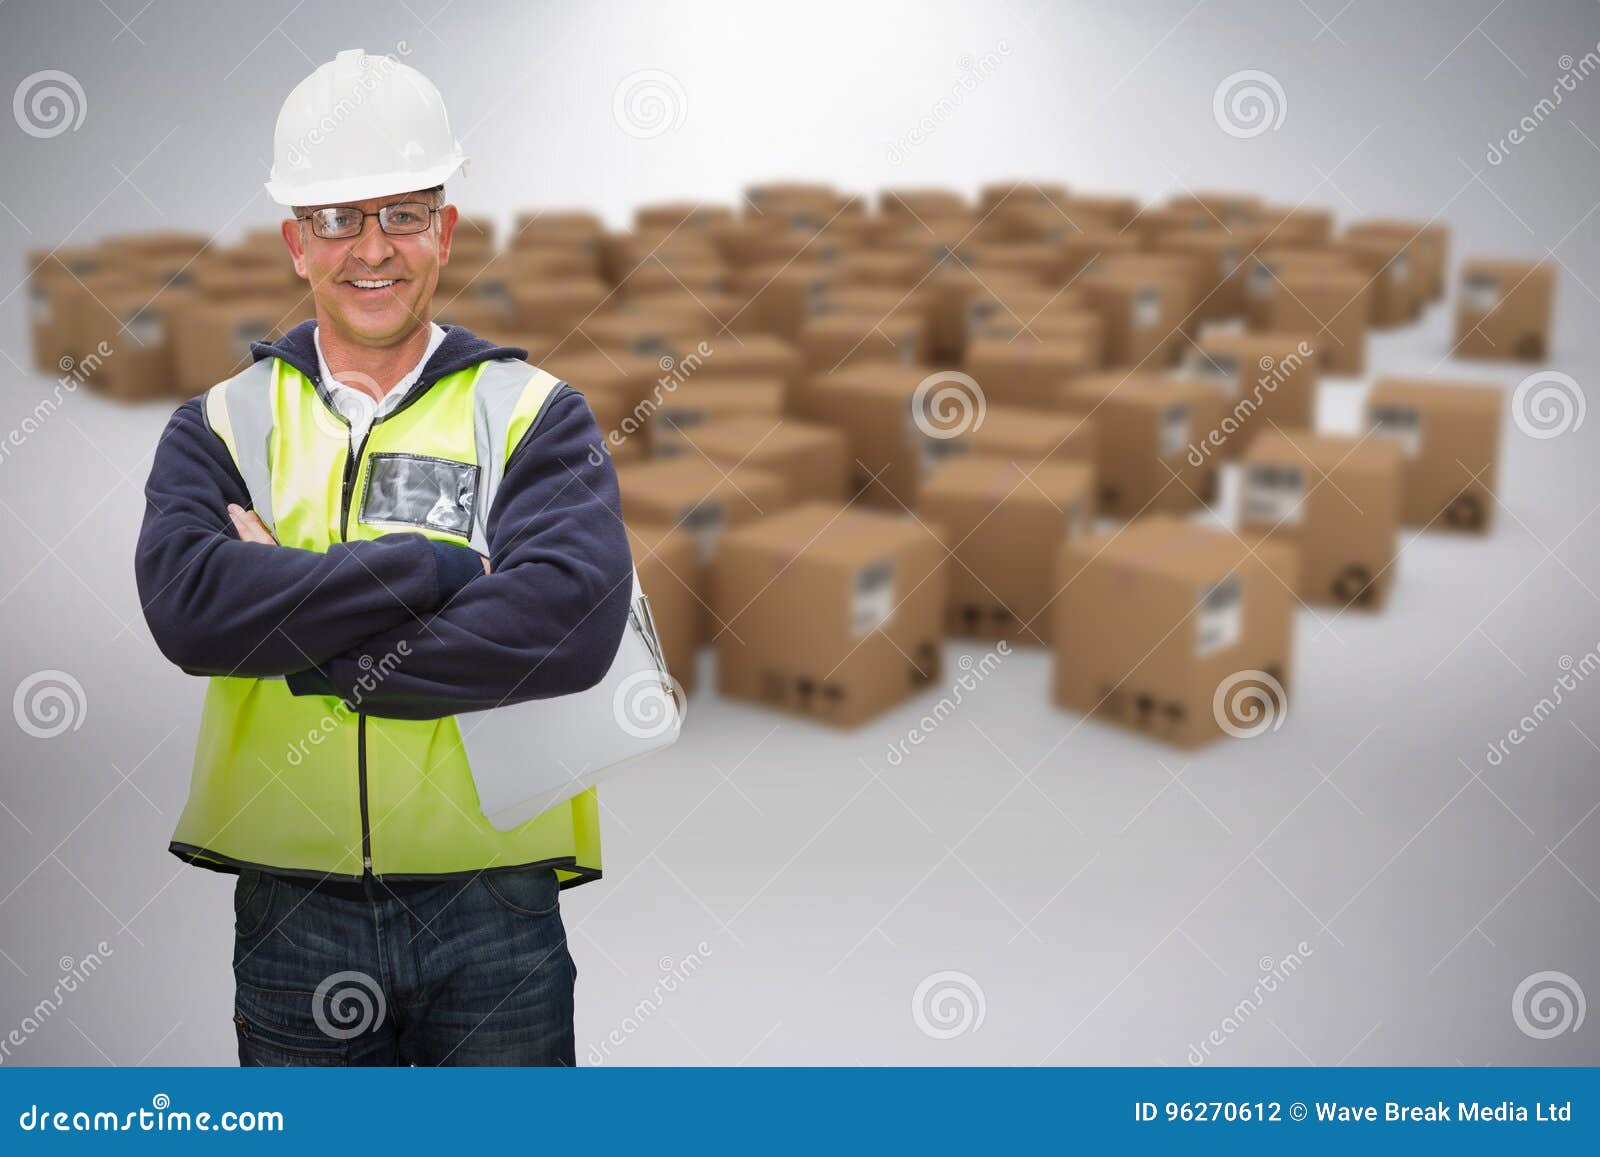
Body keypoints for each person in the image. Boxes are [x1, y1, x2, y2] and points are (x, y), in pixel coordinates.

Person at [133, 49, 632, 1066]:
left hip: (495, 902)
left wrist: (314, 647)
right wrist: (444, 570)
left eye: (401, 212)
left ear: (443, 233)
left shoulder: (529, 413)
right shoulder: (223, 423)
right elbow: (191, 608)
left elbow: (570, 625)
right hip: (295, 909)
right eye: (336, 218)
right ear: (294, 243)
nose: (372, 248)